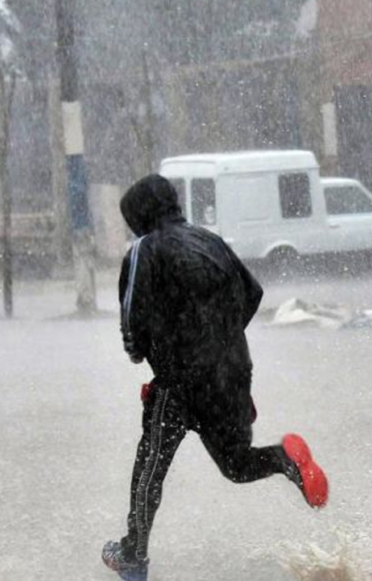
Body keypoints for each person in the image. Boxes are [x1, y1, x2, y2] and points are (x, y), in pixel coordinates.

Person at [102, 175, 328, 581]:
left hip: (178, 381)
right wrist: (220, 344)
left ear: (138, 215)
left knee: (151, 464)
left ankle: (133, 556)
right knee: (236, 464)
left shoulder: (144, 250)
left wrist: (142, 352)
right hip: (232, 373)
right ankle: (285, 460)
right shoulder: (210, 241)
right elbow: (253, 293)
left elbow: (132, 321)